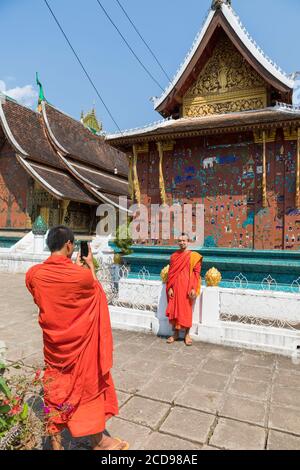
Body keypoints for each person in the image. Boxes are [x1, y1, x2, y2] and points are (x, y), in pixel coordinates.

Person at [26, 226, 128, 451]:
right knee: (87, 388)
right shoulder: (80, 275)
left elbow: (41, 299)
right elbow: (96, 293)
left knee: (55, 390)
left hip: (54, 347)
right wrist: (90, 265)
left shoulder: (33, 275)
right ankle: (99, 441)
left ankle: (56, 445)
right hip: (80, 346)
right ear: (69, 245)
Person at [166, 234, 202, 346]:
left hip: (187, 287)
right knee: (175, 310)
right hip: (175, 287)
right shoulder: (174, 256)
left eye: (184, 240)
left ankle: (187, 334)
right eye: (180, 241)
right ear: (178, 242)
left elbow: (197, 274)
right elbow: (171, 274)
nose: (182, 242)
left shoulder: (194, 256)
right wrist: (170, 288)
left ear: (188, 242)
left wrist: (193, 288)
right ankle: (175, 333)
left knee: (186, 311)